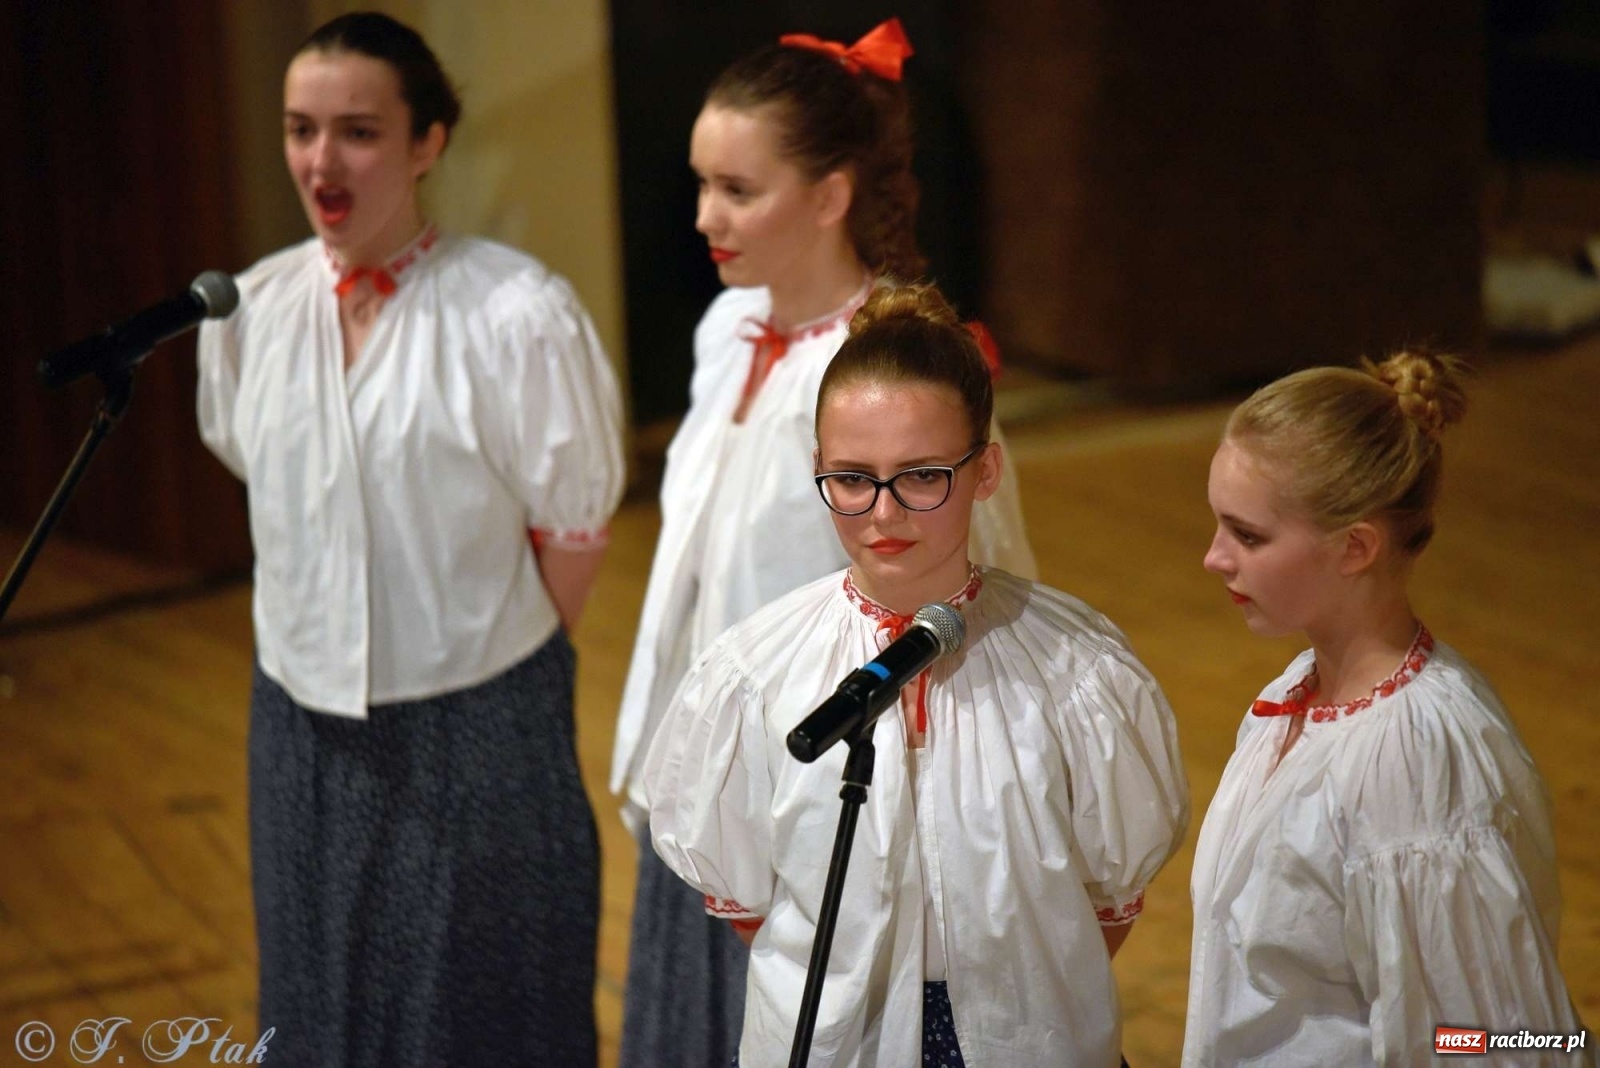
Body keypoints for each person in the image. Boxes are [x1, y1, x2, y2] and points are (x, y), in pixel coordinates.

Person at [196, 13, 623, 1066]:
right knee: (321, 996)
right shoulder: (246, 311)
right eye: (301, 128)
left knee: (479, 1009)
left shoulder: (516, 314)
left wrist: (480, 671)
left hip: (477, 725)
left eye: (358, 131)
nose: (320, 160)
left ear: (427, 144)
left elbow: (573, 525)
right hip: (299, 725)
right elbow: (277, 486)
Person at [612, 19, 1036, 1067]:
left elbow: (979, 596)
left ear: (832, 194)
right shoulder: (727, 332)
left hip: (829, 807)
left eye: (738, 190)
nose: (706, 216)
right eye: (701, 184)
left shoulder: (891, 386)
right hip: (711, 777)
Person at [643, 282, 1189, 1067]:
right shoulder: (755, 675)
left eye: (923, 475)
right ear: (818, 470)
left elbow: (1105, 901)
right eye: (853, 478)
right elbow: (754, 906)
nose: (884, 514)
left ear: (986, 470)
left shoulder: (1080, 672)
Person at [1186, 351, 1592, 1066]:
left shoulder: (1416, 763)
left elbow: (1491, 1035)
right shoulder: (1292, 696)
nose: (1214, 558)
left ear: (1356, 548)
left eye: (1246, 535)